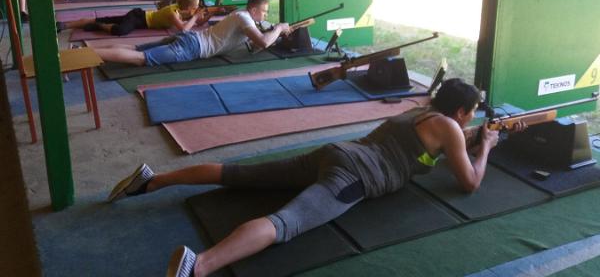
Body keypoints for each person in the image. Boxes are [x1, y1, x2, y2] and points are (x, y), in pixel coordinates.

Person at [107, 78, 527, 277]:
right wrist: (487, 146)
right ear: (462, 113)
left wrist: (481, 138)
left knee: (239, 174)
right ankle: (200, 266)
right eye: (471, 115)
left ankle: (154, 179)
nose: (471, 121)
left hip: (338, 152)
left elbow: (439, 145)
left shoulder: (422, 111)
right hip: (356, 175)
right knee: (287, 222)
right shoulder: (452, 128)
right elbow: (469, 182)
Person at [93, 0, 290, 66]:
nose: (265, 15)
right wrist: (280, 27)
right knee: (141, 59)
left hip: (189, 38)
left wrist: (276, 32)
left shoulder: (243, 16)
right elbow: (263, 42)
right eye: (264, 12)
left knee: (136, 49)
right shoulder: (244, 18)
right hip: (192, 48)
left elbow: (258, 42)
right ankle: (86, 55)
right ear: (253, 10)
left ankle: (87, 51)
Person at [55, 0, 203, 36]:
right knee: (120, 30)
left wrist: (204, 16)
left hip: (138, 16)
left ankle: (64, 25)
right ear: (190, 7)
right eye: (196, 6)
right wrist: (195, 17)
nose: (197, 8)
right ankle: (98, 26)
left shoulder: (181, 11)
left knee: (103, 18)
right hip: (138, 18)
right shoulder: (173, 12)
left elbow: (191, 24)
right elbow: (183, 29)